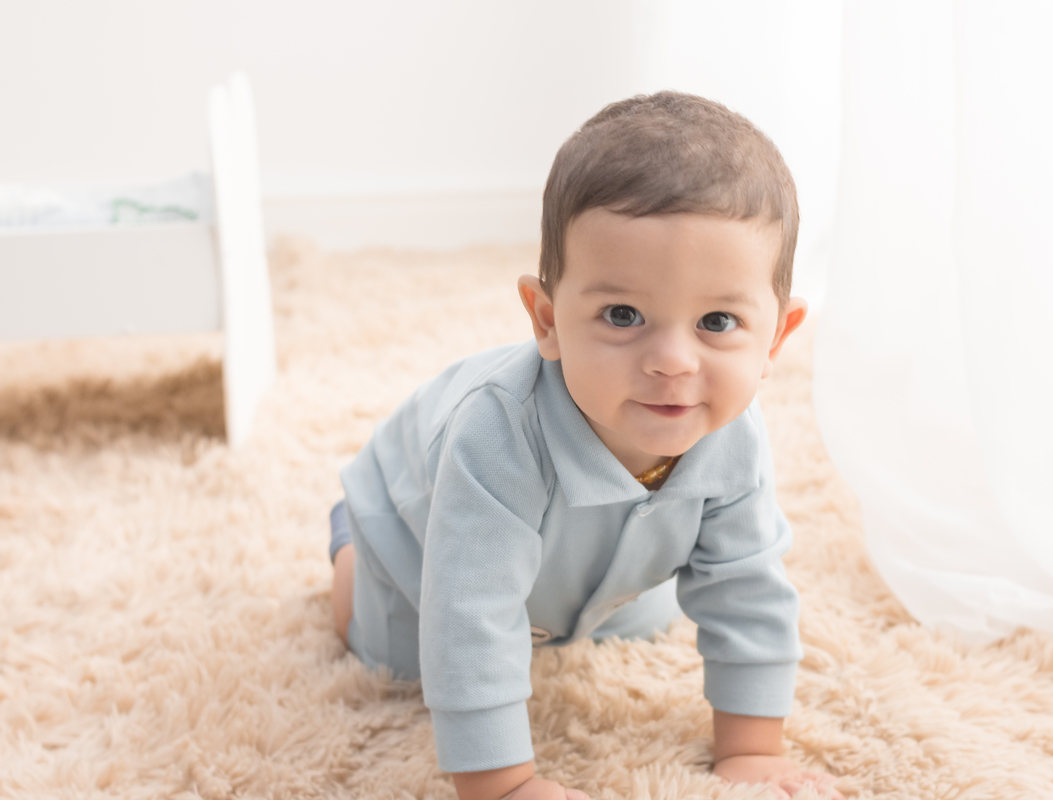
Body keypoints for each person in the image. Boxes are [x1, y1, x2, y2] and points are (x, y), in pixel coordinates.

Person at [328, 92, 841, 800]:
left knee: (634, 616)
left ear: (776, 339)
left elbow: (746, 585)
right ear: (546, 320)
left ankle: (576, 594)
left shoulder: (730, 434)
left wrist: (752, 749)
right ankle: (350, 543)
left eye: (717, 321)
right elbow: (468, 619)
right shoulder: (495, 437)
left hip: (591, 559)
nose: (672, 361)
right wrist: (502, 784)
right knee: (394, 649)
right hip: (416, 533)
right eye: (622, 315)